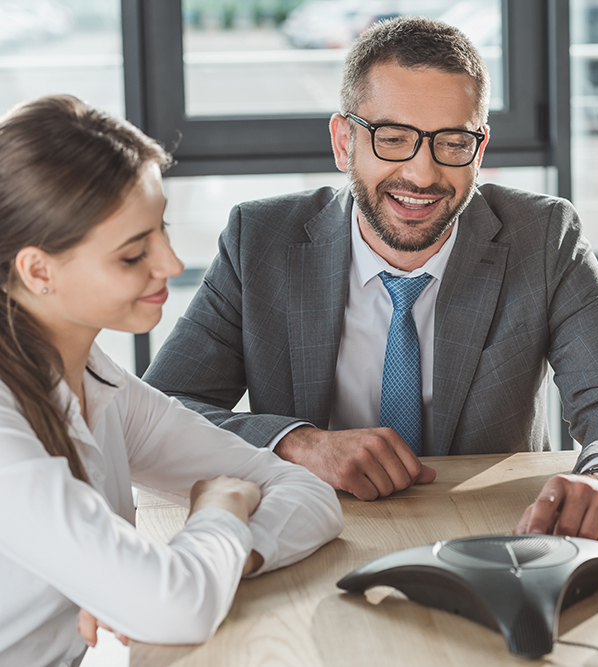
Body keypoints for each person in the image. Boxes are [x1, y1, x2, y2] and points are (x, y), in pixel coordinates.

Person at [143, 16, 598, 545]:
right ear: (343, 140)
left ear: (479, 149)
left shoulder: (544, 237)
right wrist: (298, 444)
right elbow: (159, 412)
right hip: (313, 535)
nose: (422, 174)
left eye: (452, 142)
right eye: (392, 138)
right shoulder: (258, 240)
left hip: (494, 539)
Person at [0, 95, 344, 667]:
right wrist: (219, 511)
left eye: (159, 229)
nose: (170, 262)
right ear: (39, 271)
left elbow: (309, 495)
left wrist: (216, 552)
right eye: (133, 255)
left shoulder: (95, 377)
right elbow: (178, 605)